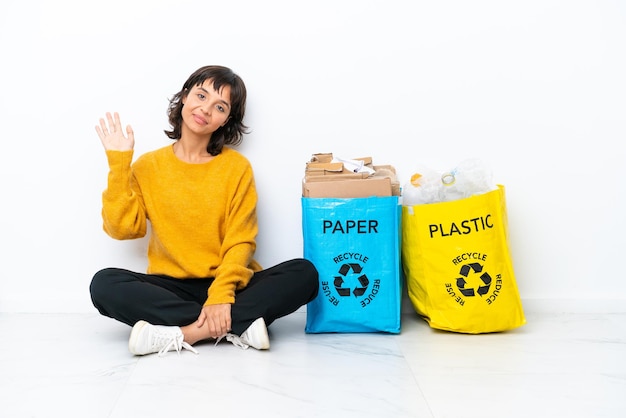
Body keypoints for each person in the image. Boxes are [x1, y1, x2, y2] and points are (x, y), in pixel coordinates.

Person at [90, 65, 319, 356]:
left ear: (226, 120)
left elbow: (241, 241)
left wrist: (221, 295)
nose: (206, 109)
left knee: (305, 273)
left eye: (220, 106)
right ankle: (238, 325)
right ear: (185, 97)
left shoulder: (236, 168)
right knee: (104, 284)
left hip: (230, 284)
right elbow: (123, 229)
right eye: (200, 95)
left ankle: (183, 333)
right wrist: (118, 163)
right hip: (170, 286)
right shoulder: (148, 167)